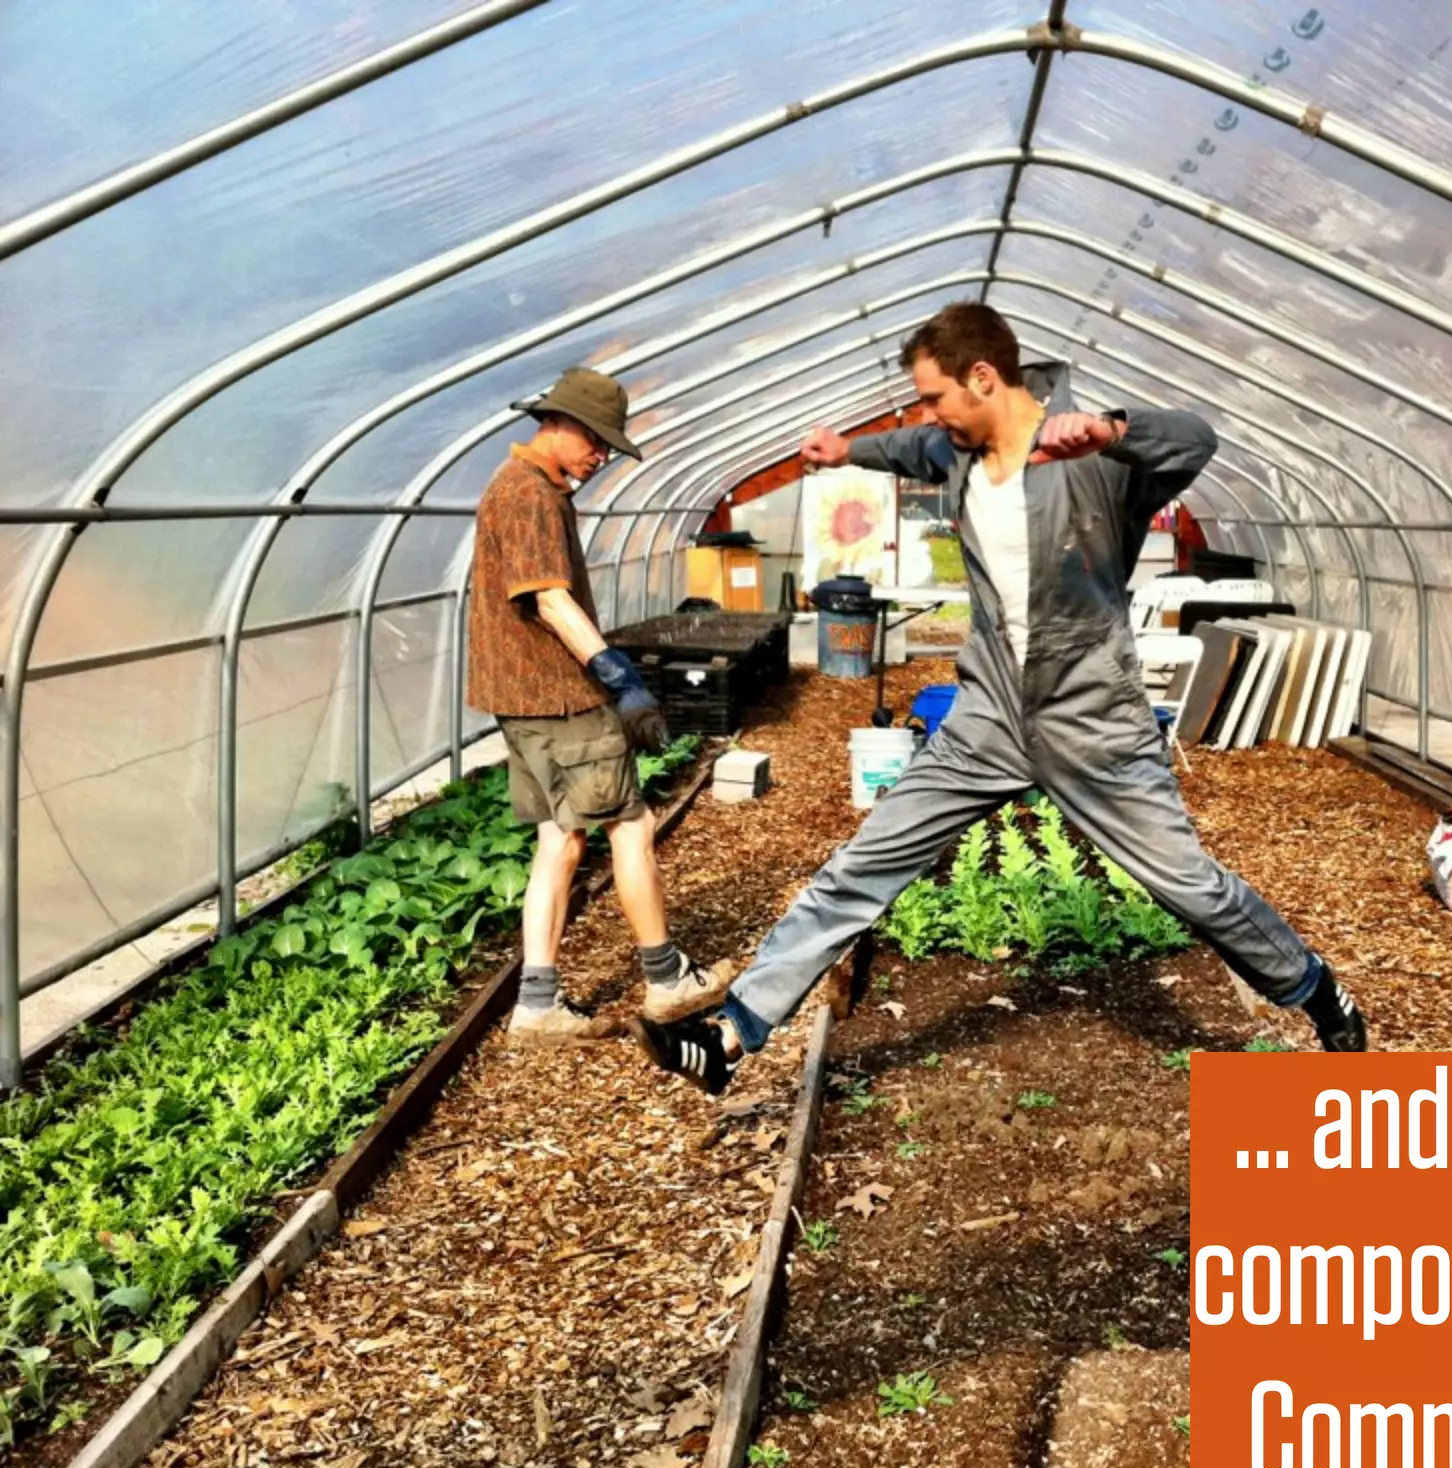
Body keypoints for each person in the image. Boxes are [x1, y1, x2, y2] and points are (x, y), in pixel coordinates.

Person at [630, 304, 1366, 1093]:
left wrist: (1113, 429)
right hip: (989, 717)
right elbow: (905, 446)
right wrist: (847, 450)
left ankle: (1319, 993)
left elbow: (1195, 440)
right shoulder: (954, 452)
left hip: (1094, 719)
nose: (926, 416)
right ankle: (731, 1035)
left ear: (983, 378)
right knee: (863, 865)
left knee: (1187, 885)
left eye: (935, 397)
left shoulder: (1092, 461)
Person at [467, 366, 736, 1043]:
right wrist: (616, 677)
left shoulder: (530, 487)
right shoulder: (526, 493)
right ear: (567, 426)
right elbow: (550, 598)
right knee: (632, 826)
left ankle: (536, 1004)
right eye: (599, 444)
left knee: (559, 840)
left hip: (527, 698)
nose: (601, 457)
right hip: (558, 696)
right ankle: (668, 979)